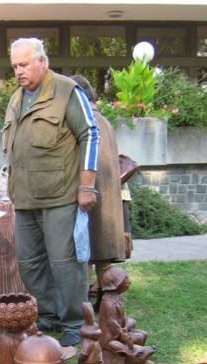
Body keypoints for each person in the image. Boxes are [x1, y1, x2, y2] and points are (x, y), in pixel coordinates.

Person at [4, 38, 99, 347]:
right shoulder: (17, 98)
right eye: (14, 66)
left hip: (60, 196)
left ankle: (75, 321)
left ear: (42, 61)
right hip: (24, 197)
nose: (18, 71)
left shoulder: (67, 91)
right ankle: (48, 314)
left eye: (23, 64)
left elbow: (90, 134)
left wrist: (86, 186)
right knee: (29, 262)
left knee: (65, 263)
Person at [70, 75, 126, 311]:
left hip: (90, 189)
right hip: (107, 191)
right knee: (101, 250)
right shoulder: (103, 120)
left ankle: (84, 300)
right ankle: (105, 296)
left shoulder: (84, 121)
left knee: (84, 246)